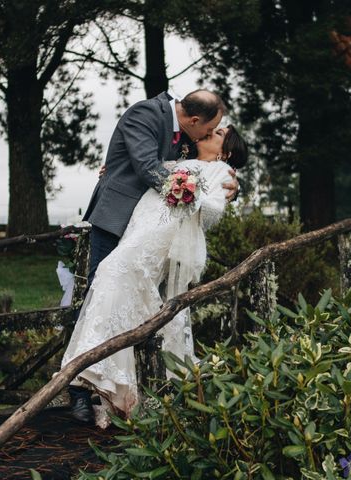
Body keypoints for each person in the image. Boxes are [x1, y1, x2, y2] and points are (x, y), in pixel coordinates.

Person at [62, 126, 248, 426]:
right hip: (138, 232)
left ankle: (92, 376)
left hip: (159, 242)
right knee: (124, 295)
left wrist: (191, 194)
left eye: (217, 134)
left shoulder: (222, 172)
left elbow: (214, 212)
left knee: (116, 280)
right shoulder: (180, 160)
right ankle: (102, 380)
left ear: (225, 151)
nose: (209, 133)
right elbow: (147, 171)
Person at [82, 90, 239, 288]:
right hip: (117, 214)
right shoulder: (146, 113)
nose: (208, 134)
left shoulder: (189, 134)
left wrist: (232, 188)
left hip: (149, 226)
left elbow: (204, 166)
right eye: (210, 129)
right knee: (101, 285)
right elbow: (148, 167)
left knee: (143, 291)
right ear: (194, 120)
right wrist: (192, 193)